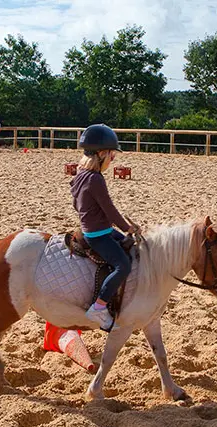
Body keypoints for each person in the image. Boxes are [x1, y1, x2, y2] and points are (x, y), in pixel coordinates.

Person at [70, 124, 138, 331]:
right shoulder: (96, 179)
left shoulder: (80, 175)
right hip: (98, 234)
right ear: (101, 154)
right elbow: (110, 210)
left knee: (130, 248)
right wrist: (127, 227)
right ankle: (98, 307)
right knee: (123, 265)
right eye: (111, 154)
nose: (113, 159)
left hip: (99, 229)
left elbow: (76, 203)